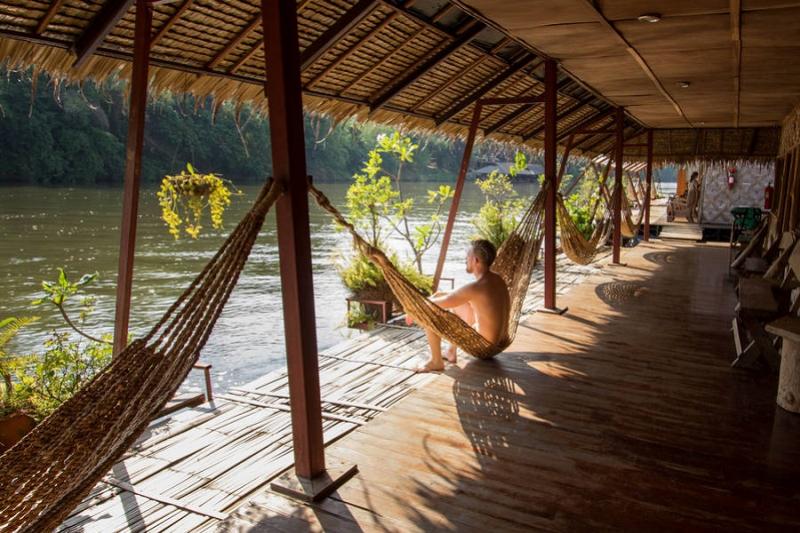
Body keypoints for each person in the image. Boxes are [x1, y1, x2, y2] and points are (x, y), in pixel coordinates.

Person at [410, 239, 511, 373]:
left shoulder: (476, 288)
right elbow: (452, 296)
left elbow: (435, 304)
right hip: (499, 341)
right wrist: (437, 295)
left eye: (467, 256)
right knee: (444, 297)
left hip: (484, 347)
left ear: (475, 260)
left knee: (430, 312)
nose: (465, 259)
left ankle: (436, 361)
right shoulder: (497, 279)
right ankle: (451, 351)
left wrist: (410, 309)